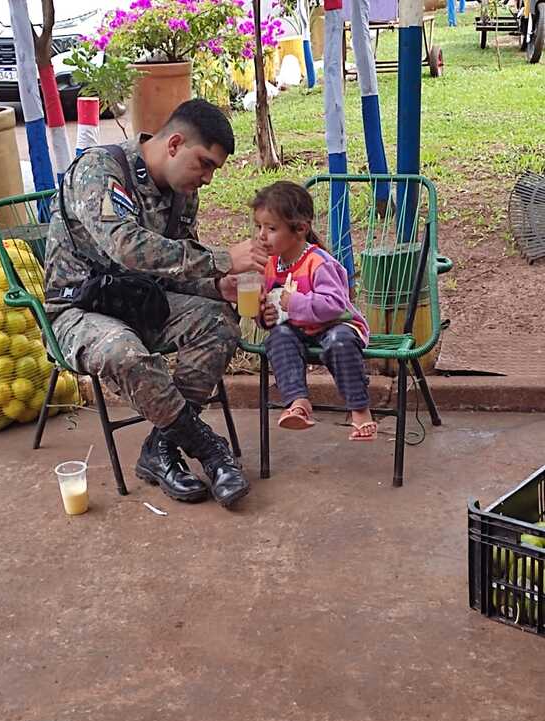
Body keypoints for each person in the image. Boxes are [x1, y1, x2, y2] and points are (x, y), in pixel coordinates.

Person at [45, 99, 268, 507]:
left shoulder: (184, 195)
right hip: (80, 309)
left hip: (144, 303)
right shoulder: (101, 169)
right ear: (174, 143)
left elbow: (175, 269)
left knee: (219, 323)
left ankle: (160, 448)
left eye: (214, 170)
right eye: (204, 164)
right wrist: (220, 258)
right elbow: (125, 248)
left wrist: (219, 288)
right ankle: (207, 448)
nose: (208, 179)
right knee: (122, 351)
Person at [253, 181, 377, 440]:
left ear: (300, 229)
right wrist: (265, 317)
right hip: (299, 330)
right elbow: (273, 307)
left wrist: (294, 302)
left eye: (271, 228)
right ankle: (298, 403)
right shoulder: (271, 265)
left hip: (337, 325)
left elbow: (335, 305)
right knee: (278, 337)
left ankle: (359, 409)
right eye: (259, 227)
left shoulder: (318, 263)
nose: (262, 235)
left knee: (339, 342)